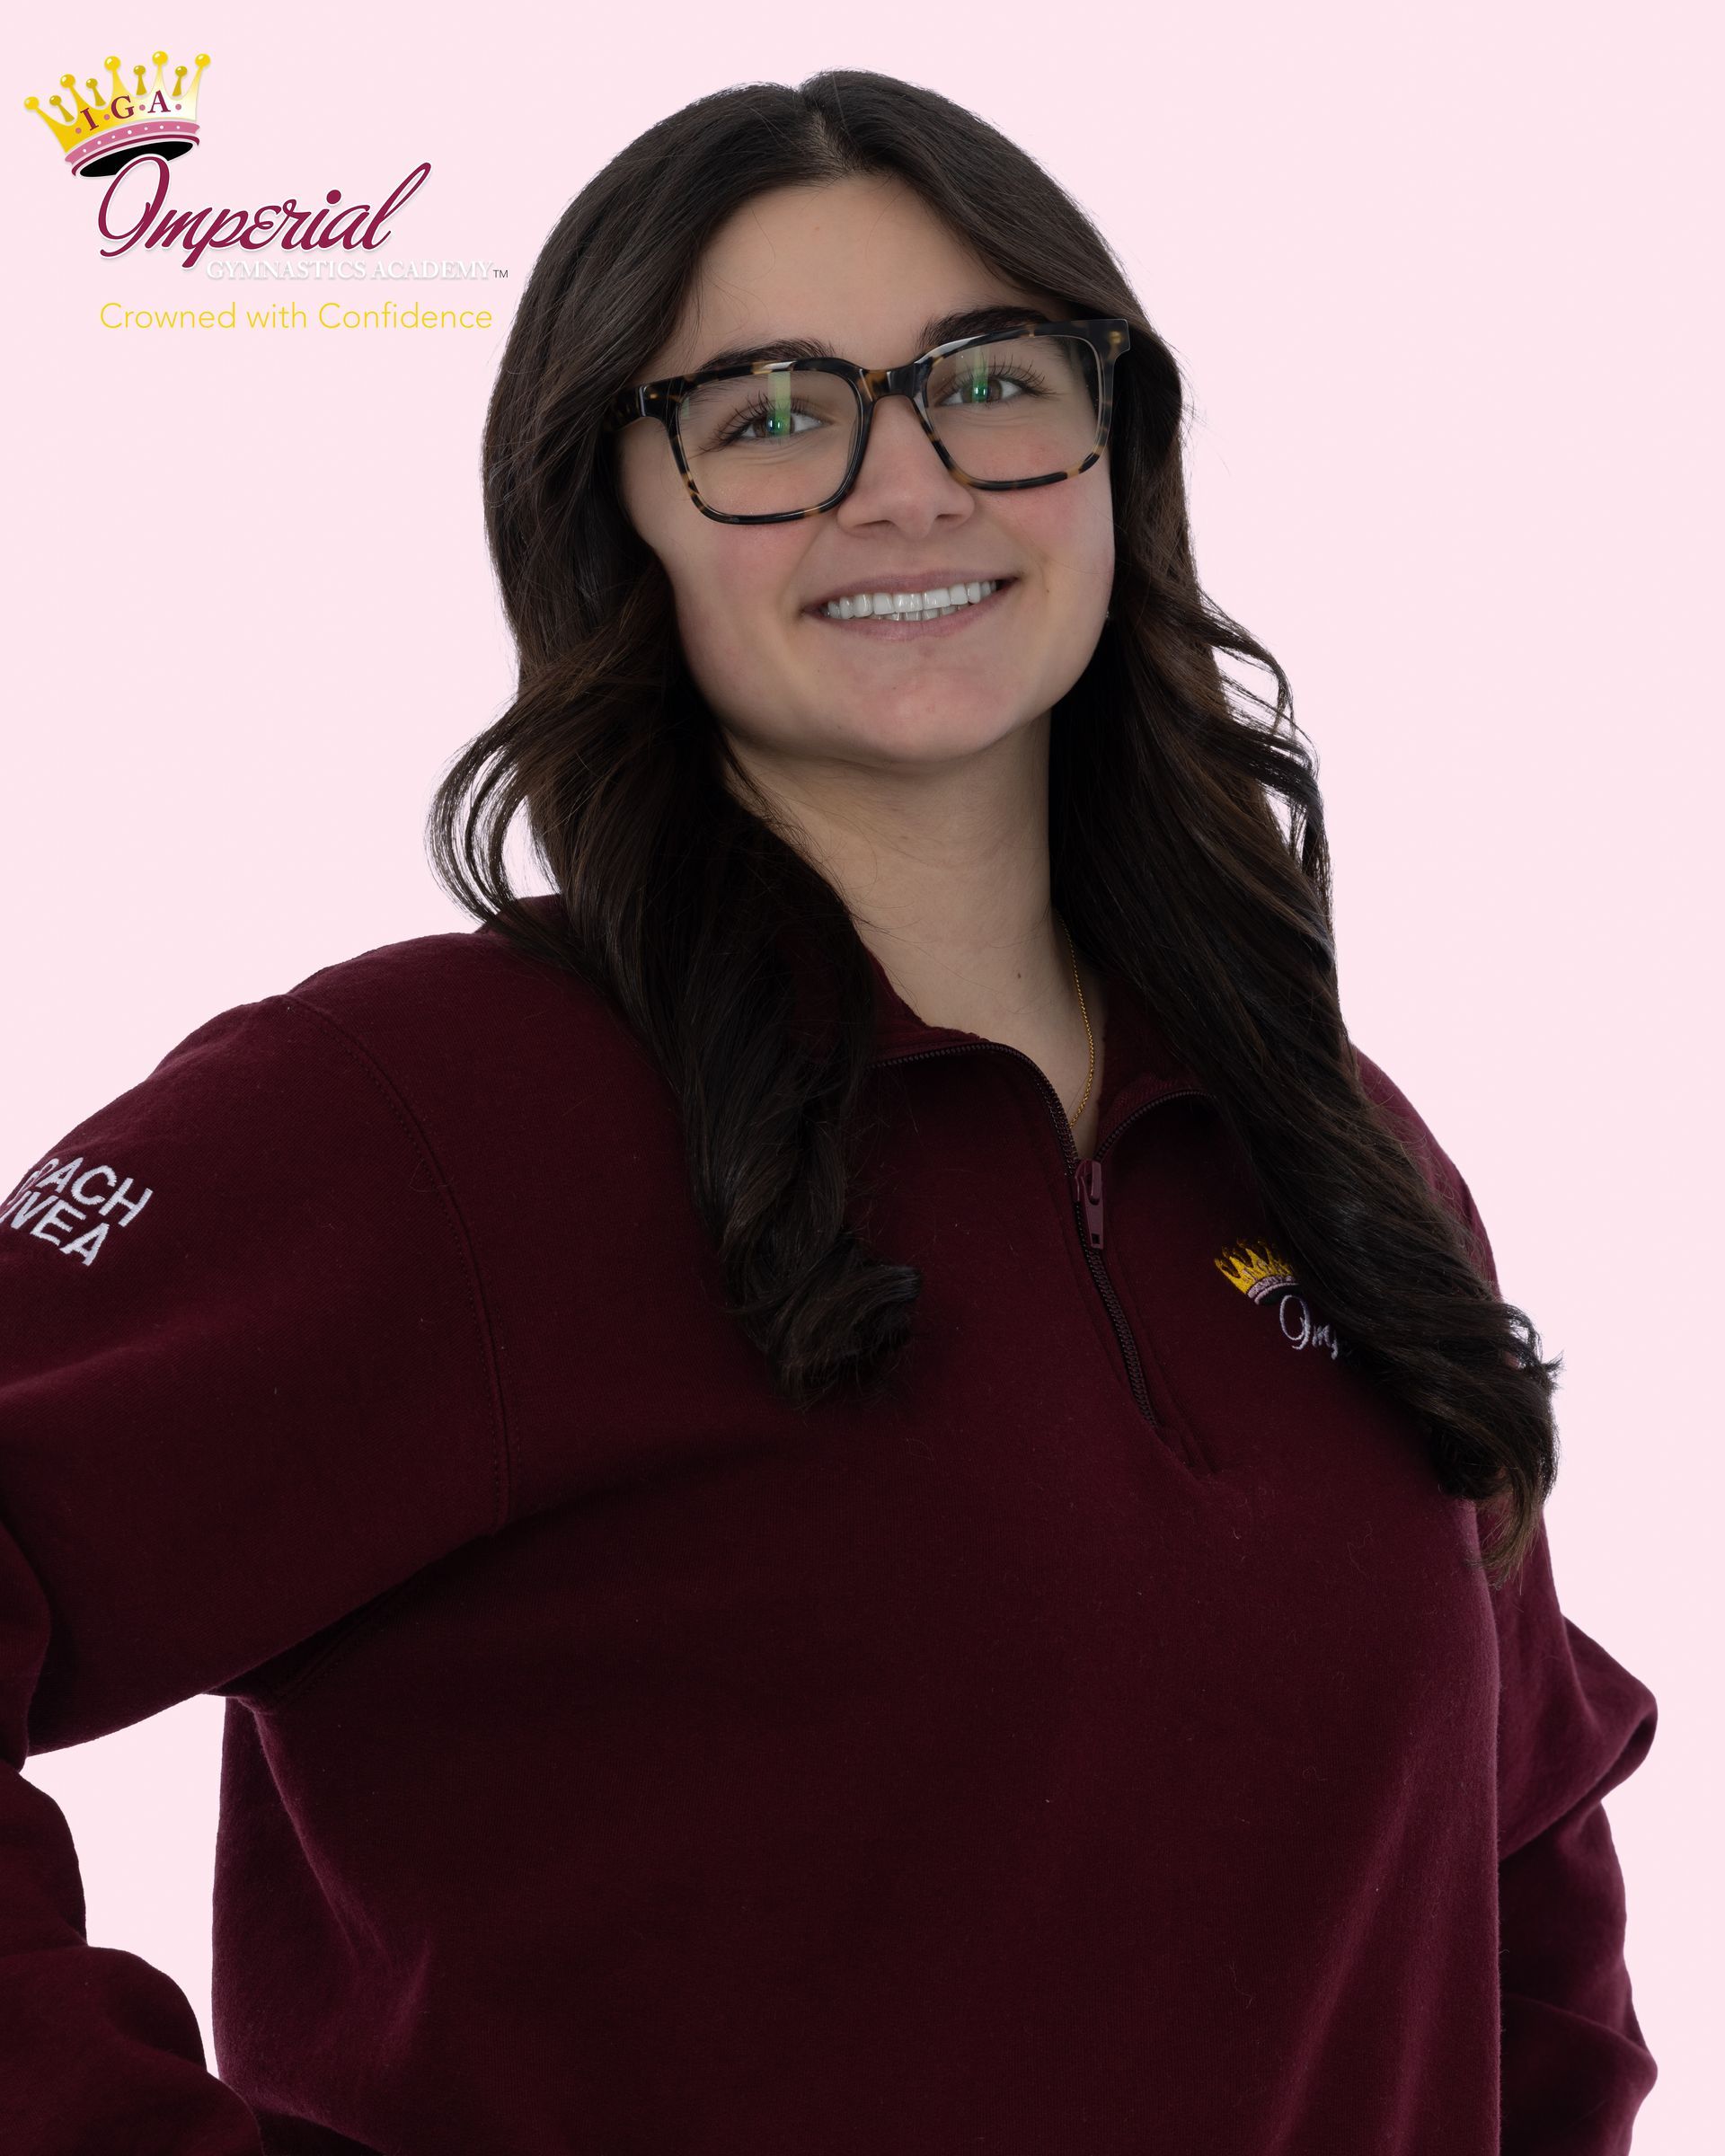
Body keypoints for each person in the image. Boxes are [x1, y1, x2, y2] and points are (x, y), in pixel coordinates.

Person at [0, 69, 1657, 2153]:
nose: (907, 487)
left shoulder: (1335, 1149)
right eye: (773, 414)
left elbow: (1522, 1876)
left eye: (992, 382)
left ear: (1116, 455)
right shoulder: (427, 1113)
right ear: (613, 509)